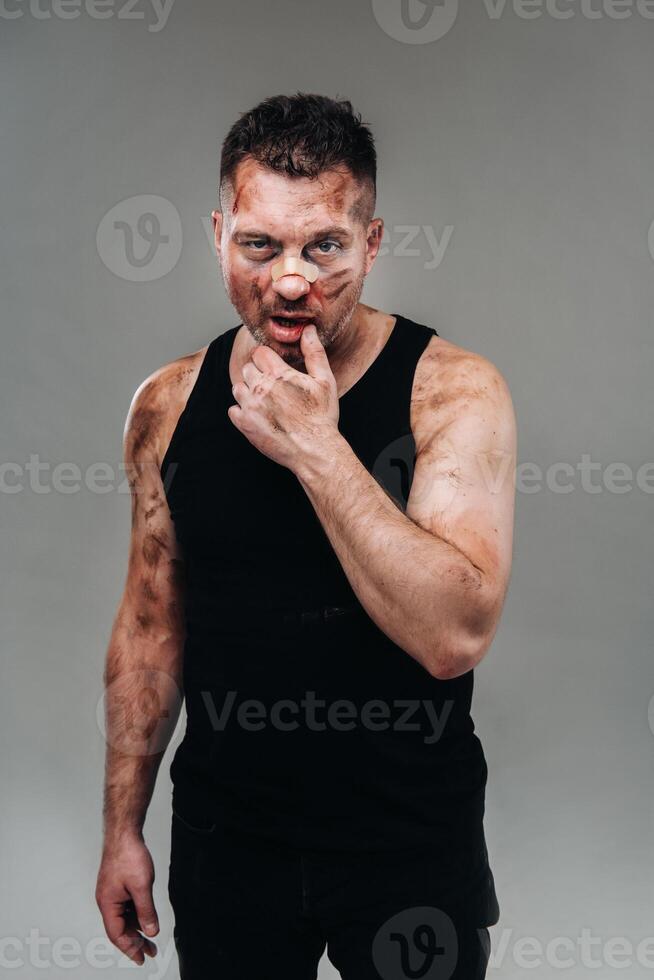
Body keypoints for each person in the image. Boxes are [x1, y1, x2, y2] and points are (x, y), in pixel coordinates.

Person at [95, 92, 516, 980]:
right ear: (219, 236)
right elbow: (148, 627)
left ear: (370, 243)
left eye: (324, 245)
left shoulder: (453, 394)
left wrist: (320, 451)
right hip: (228, 842)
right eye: (261, 245)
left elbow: (454, 635)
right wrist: (121, 829)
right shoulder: (167, 405)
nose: (291, 280)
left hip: (408, 845)